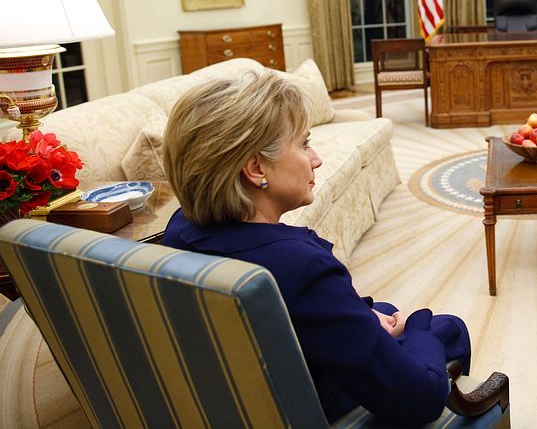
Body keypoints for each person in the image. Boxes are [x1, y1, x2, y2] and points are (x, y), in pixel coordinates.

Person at [161, 72, 471, 425]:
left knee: (381, 310)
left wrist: (358, 313)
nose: (317, 158)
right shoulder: (303, 269)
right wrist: (418, 324)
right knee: (447, 330)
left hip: (238, 390)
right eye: (304, 144)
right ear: (255, 168)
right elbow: (421, 400)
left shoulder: (180, 228)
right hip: (304, 406)